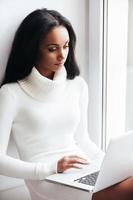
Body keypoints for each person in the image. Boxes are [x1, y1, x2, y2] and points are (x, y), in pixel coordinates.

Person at [0, 8, 132, 200]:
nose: (62, 55)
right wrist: (51, 168)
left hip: (80, 171)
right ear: (32, 49)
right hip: (46, 177)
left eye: (66, 46)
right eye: (52, 48)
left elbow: (82, 140)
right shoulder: (11, 94)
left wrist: (109, 166)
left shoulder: (77, 86)